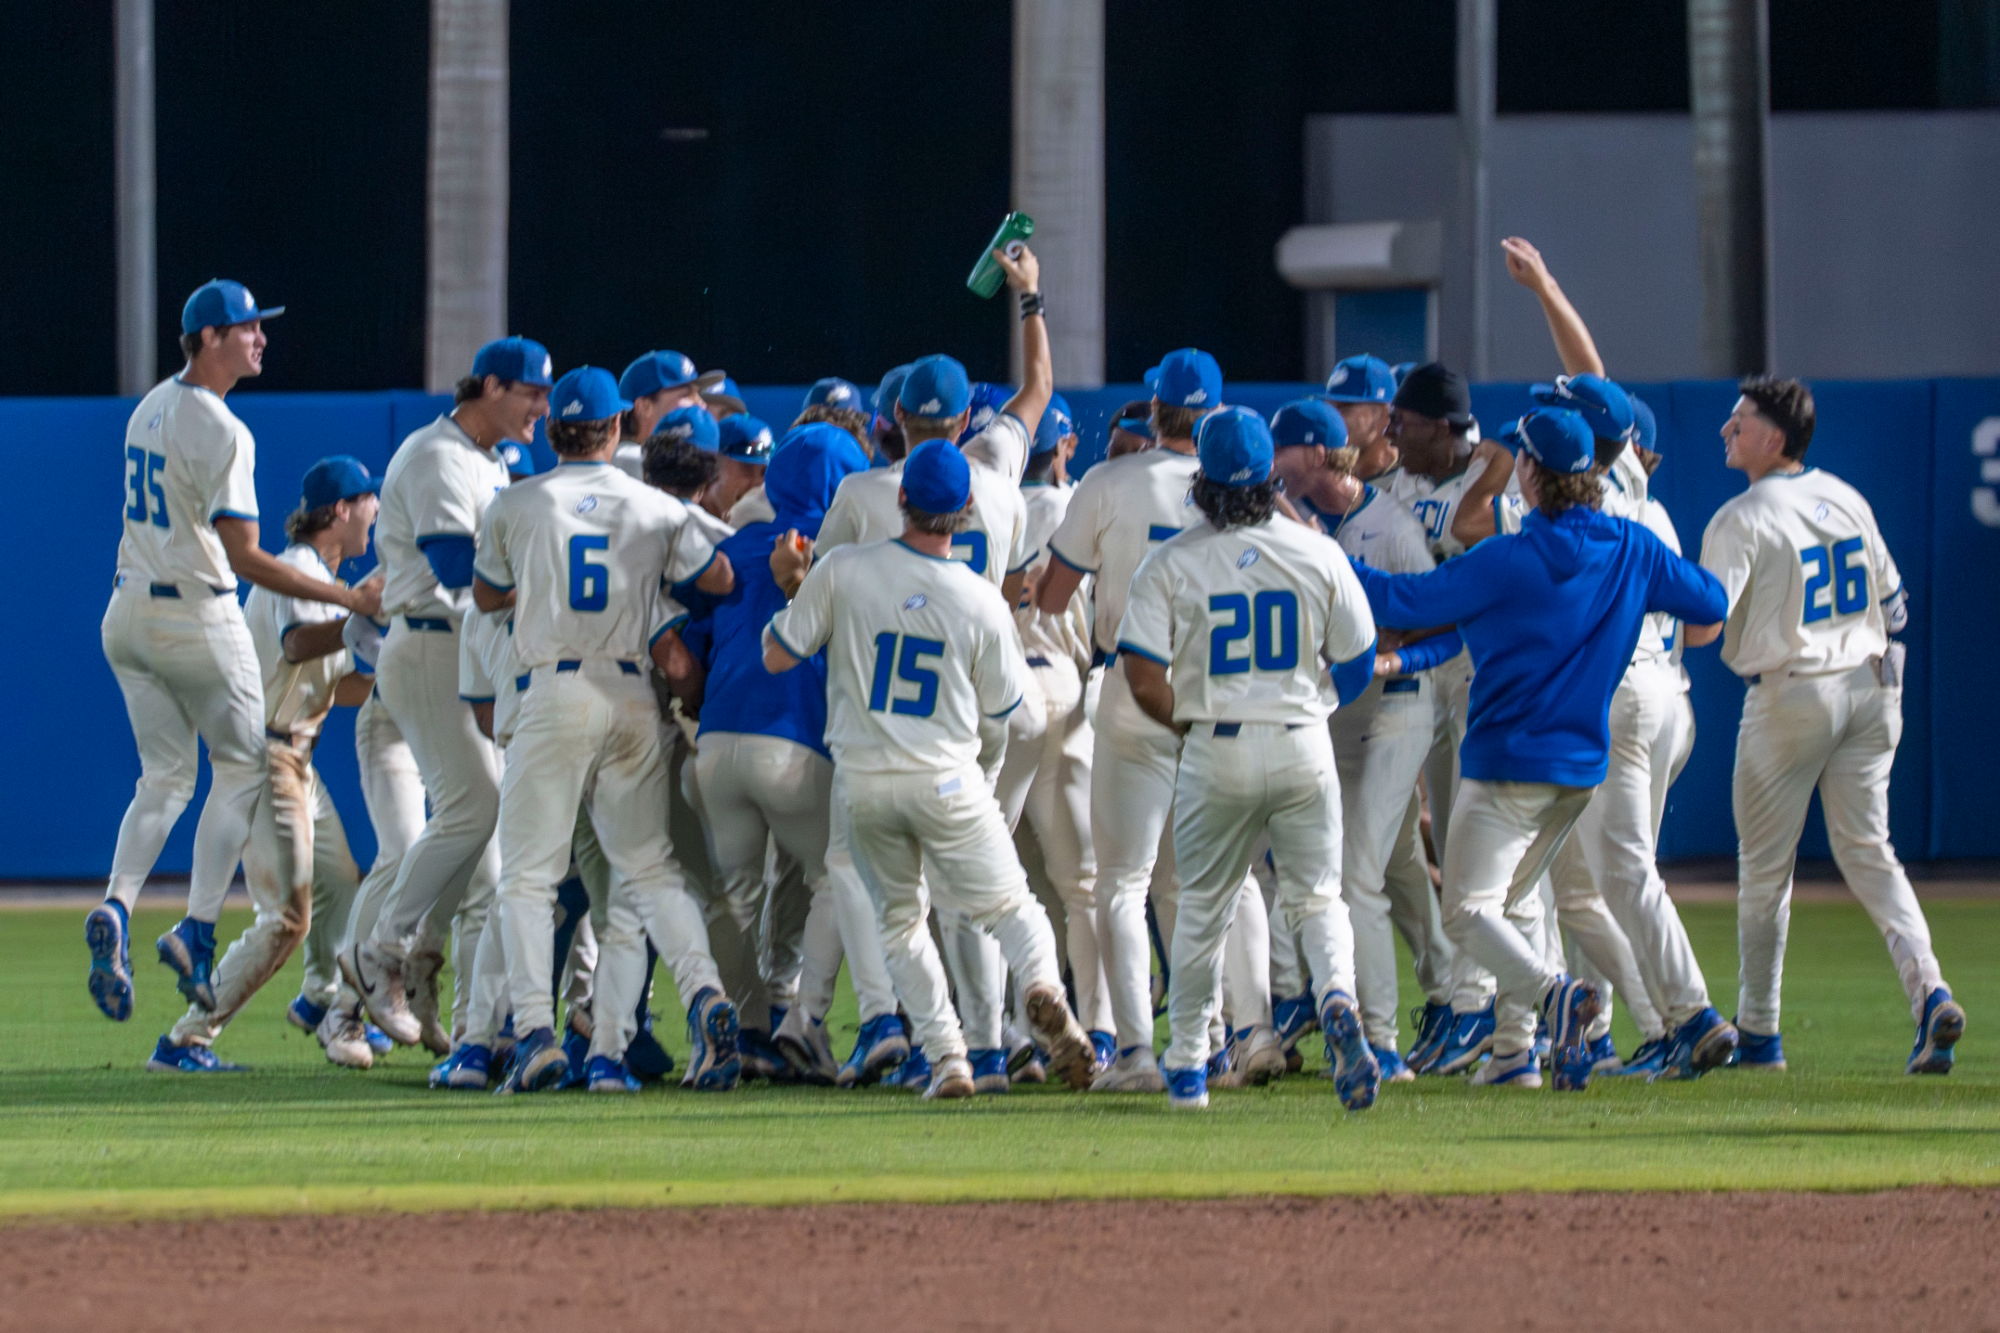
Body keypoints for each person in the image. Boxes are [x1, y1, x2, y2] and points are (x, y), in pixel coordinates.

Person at [1353, 408, 1727, 1091]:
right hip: (1581, 770)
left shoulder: (1507, 557)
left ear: (1530, 472)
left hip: (1506, 766)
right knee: (1516, 903)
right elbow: (1710, 600)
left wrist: (1325, 557)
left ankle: (1554, 996)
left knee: (1466, 912)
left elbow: (1405, 599)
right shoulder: (1632, 547)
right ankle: (1514, 1054)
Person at [89, 280, 381, 1038]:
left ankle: (118, 902)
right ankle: (195, 927)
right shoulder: (224, 429)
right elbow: (245, 554)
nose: (260, 338)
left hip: (125, 612)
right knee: (245, 766)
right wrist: (353, 605)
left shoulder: (148, 406)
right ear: (210, 336)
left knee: (164, 778)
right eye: (248, 327)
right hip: (194, 611)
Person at [763, 440, 1096, 1098]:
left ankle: (947, 1056)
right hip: (947, 774)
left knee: (899, 924)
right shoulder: (979, 599)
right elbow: (1012, 712)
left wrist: (788, 586)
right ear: (966, 509)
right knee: (1009, 905)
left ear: (900, 499)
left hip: (863, 780)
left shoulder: (845, 568)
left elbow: (779, 656)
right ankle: (1038, 985)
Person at [472, 365, 739, 1093]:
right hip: (630, 693)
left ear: (555, 429)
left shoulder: (516, 502)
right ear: (618, 428)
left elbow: (487, 593)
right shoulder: (655, 508)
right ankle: (703, 992)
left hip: (554, 690)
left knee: (527, 875)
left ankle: (532, 1031)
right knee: (648, 870)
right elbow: (719, 577)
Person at [1694, 376, 1964, 1075]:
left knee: (1764, 870)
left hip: (1793, 693)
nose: (1728, 428)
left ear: (1775, 437)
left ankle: (1759, 1035)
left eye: (1741, 420)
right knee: (1870, 851)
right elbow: (1896, 606)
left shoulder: (1743, 515)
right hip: (1873, 686)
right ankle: (1929, 989)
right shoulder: (1847, 495)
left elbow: (1703, 623)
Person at [1115, 406, 1382, 1111]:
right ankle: (1337, 997)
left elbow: (1142, 676)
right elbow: (1356, 664)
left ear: (1203, 481)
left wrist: (1197, 724)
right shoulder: (1318, 552)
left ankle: (1187, 1070)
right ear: (1270, 479)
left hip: (1217, 741)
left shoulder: (1171, 559)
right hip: (1301, 737)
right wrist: (1312, 703)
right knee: (1318, 896)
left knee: (1201, 908)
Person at [1038, 348, 1279, 1092]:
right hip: (1218, 691)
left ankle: (1140, 1050)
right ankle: (1247, 1033)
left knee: (1123, 880)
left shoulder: (1107, 482)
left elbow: (1050, 597)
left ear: (1154, 409)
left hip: (1131, 685)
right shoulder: (1238, 499)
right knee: (1223, 879)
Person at [343, 336, 550, 1056]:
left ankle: (440, 1000)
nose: (542, 407)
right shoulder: (437, 455)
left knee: (486, 852)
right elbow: (459, 567)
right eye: (530, 391)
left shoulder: (493, 459)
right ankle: (378, 953)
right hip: (430, 640)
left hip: (467, 644)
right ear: (488, 386)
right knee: (476, 807)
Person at [682, 424, 905, 1086]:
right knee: (843, 875)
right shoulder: (855, 550)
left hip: (717, 739)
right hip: (799, 738)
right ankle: (819, 1019)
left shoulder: (733, 544)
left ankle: (746, 1031)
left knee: (732, 897)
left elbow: (690, 646)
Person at [147, 457, 381, 1072]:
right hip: (261, 757)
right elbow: (299, 644)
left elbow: (341, 685)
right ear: (340, 510)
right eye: (368, 501)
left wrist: (392, 670)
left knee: (341, 883)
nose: (375, 512)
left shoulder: (323, 581)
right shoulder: (301, 572)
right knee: (286, 918)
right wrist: (358, 617)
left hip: (296, 758)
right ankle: (186, 1039)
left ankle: (319, 1000)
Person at [1267, 398, 1459, 1080]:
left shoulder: (1390, 526)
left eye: (1281, 448)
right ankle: (1454, 997)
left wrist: (1393, 660)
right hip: (1340, 717)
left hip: (1399, 709)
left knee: (1355, 876)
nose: (1272, 461)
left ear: (1317, 454)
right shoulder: (1297, 523)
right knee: (1400, 858)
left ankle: (1379, 1039)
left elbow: (1444, 630)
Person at [613, 350, 722, 480]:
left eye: (698, 394)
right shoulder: (635, 462)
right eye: (686, 395)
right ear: (644, 407)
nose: (701, 404)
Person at [711, 414, 776, 525]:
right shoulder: (681, 522)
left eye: (764, 472)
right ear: (713, 465)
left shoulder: (768, 529)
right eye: (747, 468)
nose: (758, 483)